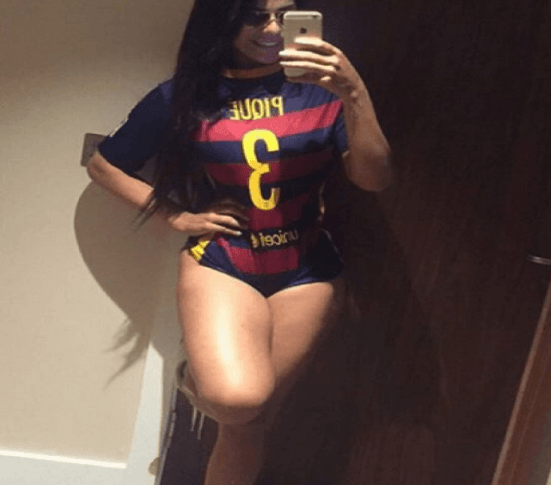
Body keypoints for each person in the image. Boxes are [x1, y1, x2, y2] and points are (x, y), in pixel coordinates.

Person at [87, 0, 391, 483]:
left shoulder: (323, 91)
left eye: (284, 15)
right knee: (238, 401)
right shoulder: (186, 95)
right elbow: (104, 165)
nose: (271, 28)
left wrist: (353, 89)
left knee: (249, 425)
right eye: (254, 15)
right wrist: (177, 216)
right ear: (223, 19)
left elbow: (374, 178)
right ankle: (198, 380)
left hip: (307, 268)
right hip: (224, 261)